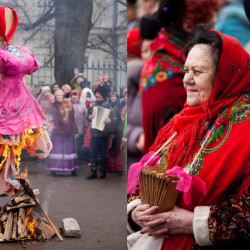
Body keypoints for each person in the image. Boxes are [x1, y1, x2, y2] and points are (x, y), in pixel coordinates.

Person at [127, 25, 250, 249]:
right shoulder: (180, 122)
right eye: (186, 70)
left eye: (199, 71)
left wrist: (193, 222)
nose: (187, 80)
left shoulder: (246, 125)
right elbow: (143, 183)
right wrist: (136, 212)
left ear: (224, 74)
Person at [140, 0, 219, 154]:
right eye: (208, 16)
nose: (213, 22)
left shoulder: (162, 48)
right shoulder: (171, 59)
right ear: (187, 21)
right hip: (170, 151)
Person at [0, 6, 52, 195]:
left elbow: (31, 67)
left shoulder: (10, 53)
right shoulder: (20, 52)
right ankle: (7, 180)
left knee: (10, 144)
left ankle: (7, 180)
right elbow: (31, 66)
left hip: (12, 101)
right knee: (9, 145)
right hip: (17, 101)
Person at [86, 86, 117, 179]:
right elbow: (88, 116)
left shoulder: (108, 105)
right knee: (92, 152)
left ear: (103, 95)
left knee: (103, 154)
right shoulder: (94, 104)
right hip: (94, 133)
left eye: (98, 95)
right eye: (96, 95)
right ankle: (93, 172)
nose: (96, 96)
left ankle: (103, 173)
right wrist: (90, 117)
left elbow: (115, 118)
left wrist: (109, 120)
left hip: (104, 133)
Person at [47, 89, 78, 176]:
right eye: (58, 96)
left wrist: (75, 130)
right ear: (55, 97)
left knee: (69, 150)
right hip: (57, 131)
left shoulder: (68, 105)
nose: (59, 97)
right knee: (56, 150)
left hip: (67, 131)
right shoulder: (52, 106)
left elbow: (72, 119)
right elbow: (50, 118)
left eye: (61, 95)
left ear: (63, 96)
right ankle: (54, 169)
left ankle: (72, 169)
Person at [70, 89, 87, 163]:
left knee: (80, 145)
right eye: (73, 96)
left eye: (76, 96)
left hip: (81, 128)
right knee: (72, 145)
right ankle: (72, 159)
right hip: (71, 129)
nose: (75, 97)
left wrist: (86, 126)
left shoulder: (83, 105)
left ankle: (80, 159)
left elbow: (85, 115)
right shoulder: (68, 104)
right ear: (71, 96)